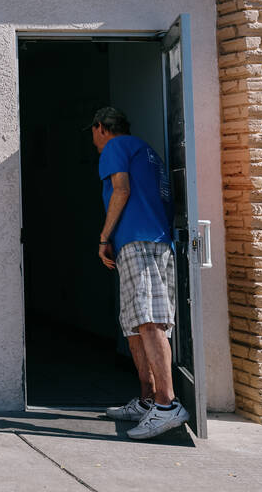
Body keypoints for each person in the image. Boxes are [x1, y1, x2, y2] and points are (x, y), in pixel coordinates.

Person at [90, 106, 189, 439]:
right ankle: (148, 400)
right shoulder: (147, 152)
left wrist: (104, 237)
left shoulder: (115, 147)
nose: (94, 139)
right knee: (135, 324)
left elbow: (121, 190)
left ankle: (166, 404)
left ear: (100, 128)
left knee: (148, 321)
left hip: (138, 243)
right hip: (154, 241)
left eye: (93, 133)